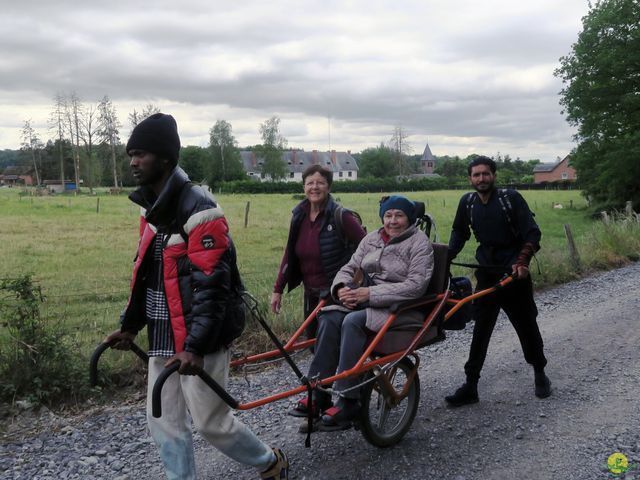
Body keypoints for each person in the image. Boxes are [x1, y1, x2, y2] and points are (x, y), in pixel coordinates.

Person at [104, 113, 288, 480]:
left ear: (166, 158)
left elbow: (213, 287)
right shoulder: (150, 209)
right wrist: (129, 326)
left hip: (200, 335)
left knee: (211, 422)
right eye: (130, 154)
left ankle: (269, 460)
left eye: (140, 154)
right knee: (164, 421)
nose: (133, 162)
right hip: (163, 331)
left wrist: (196, 346)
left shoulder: (200, 209)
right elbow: (146, 273)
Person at [296, 195, 433, 430]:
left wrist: (368, 294)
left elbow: (416, 286)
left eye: (399, 216)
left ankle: (349, 401)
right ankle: (318, 393)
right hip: (367, 301)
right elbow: (349, 268)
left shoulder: (419, 243)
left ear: (409, 219)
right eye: (388, 215)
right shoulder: (371, 239)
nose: (392, 221)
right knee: (329, 317)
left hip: (399, 308)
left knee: (351, 321)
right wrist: (340, 289)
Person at [445, 156, 551, 408]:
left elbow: (532, 233)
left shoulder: (510, 198)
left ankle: (539, 372)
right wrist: (446, 257)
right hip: (486, 271)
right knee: (481, 328)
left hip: (514, 273)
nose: (481, 179)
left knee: (525, 324)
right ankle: (471, 386)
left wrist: (522, 260)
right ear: (470, 178)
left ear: (494, 175)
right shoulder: (467, 202)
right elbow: (460, 232)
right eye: (476, 175)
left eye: (485, 174)